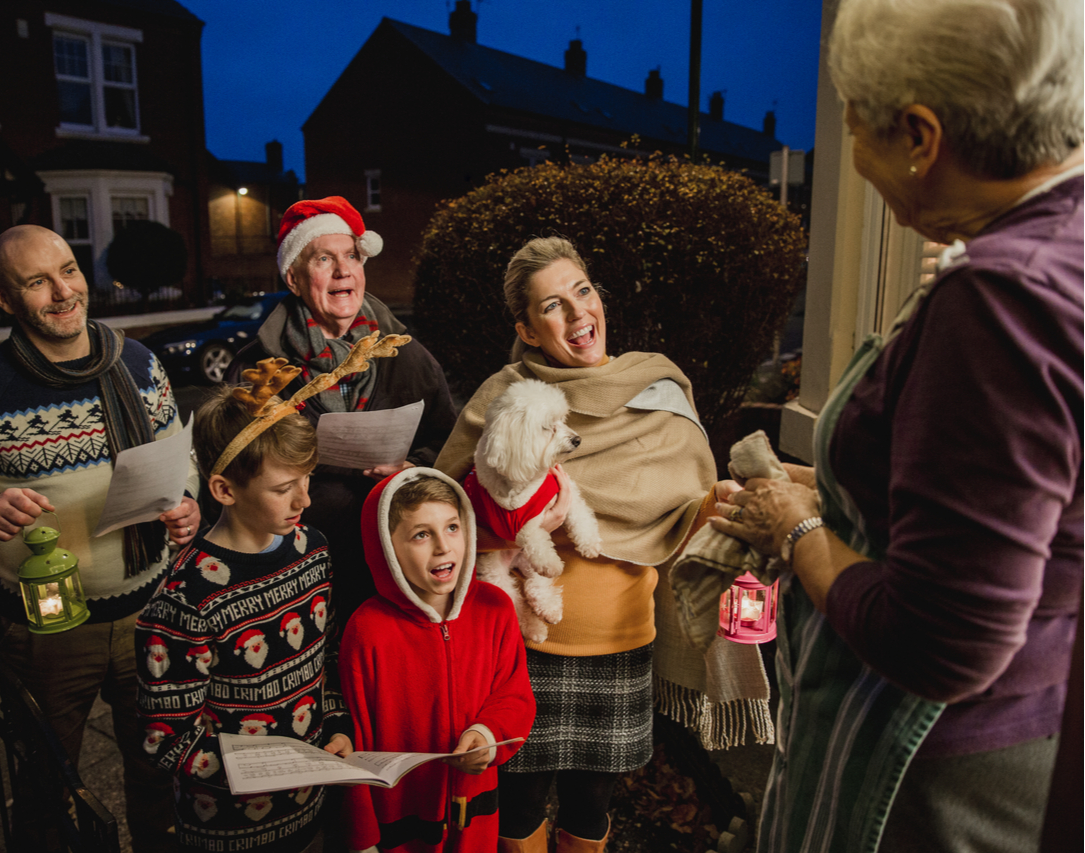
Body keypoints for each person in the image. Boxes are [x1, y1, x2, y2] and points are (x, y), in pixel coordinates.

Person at [708, 1, 1083, 850]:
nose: (849, 143)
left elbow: (941, 641)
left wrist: (795, 524)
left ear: (921, 136)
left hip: (928, 774)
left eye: (852, 122)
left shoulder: (1001, 302)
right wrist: (836, 487)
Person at [435, 237, 761, 853]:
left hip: (619, 638)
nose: (578, 312)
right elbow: (451, 508)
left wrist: (725, 508)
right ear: (528, 330)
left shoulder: (659, 388)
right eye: (552, 305)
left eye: (582, 291)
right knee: (519, 799)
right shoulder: (503, 397)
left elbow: (681, 527)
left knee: (591, 804)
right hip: (516, 640)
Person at [0, 224, 201, 850]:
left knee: (160, 772)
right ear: (4, 300)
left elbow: (181, 463)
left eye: (69, 270)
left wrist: (188, 501)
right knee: (47, 783)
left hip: (150, 614)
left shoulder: (138, 363)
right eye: (36, 281)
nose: (62, 291)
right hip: (48, 629)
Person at [136, 384, 353, 853]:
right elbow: (167, 740)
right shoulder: (185, 599)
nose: (304, 501)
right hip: (229, 831)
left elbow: (327, 659)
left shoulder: (311, 550)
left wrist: (336, 725)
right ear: (224, 489)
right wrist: (271, 768)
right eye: (282, 488)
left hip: (310, 809)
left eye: (307, 479)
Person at [227, 196, 456, 626]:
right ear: (293, 279)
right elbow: (233, 472)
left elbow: (448, 444)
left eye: (351, 255)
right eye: (323, 258)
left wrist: (412, 467)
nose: (342, 270)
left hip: (394, 568)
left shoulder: (410, 356)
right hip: (294, 574)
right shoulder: (255, 369)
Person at [339, 469, 536, 853]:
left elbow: (514, 694)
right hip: (397, 822)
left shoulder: (495, 610)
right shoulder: (367, 630)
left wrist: (487, 736)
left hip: (473, 813)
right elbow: (355, 741)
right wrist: (361, 837)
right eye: (421, 534)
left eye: (452, 528)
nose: (444, 547)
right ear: (386, 547)